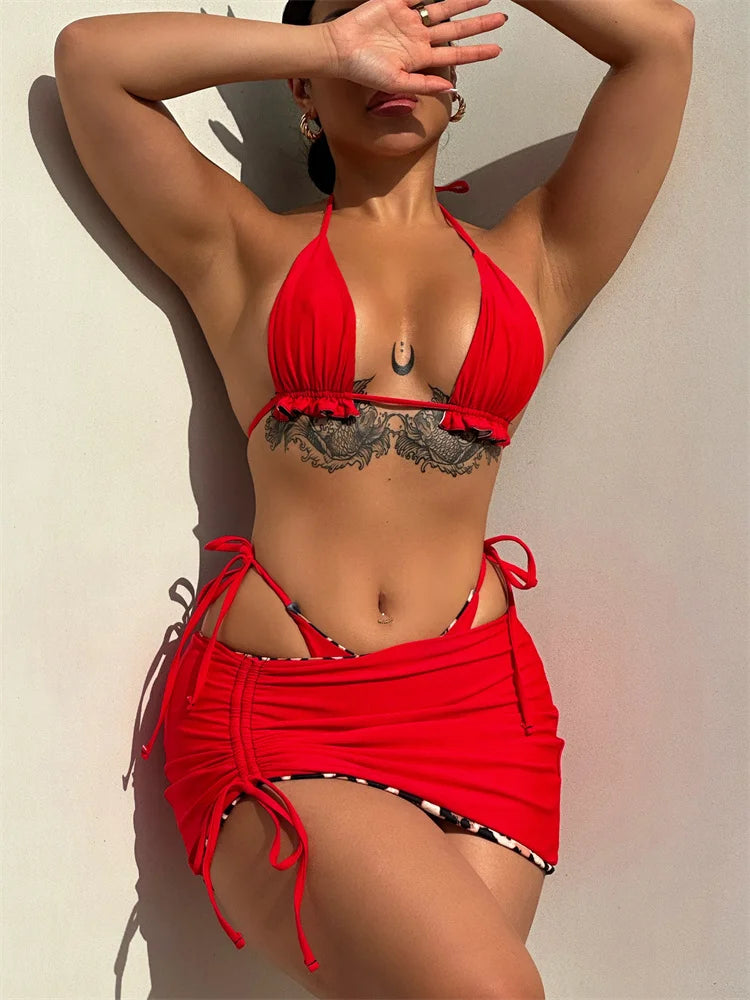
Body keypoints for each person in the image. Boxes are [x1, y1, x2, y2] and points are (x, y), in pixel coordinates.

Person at [54, 0, 694, 995]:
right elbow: (91, 63)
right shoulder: (242, 249)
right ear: (305, 92)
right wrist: (324, 44)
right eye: (366, 26)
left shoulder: (537, 257)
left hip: (483, 716)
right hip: (284, 712)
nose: (393, 53)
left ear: (454, 73)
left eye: (421, 28)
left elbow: (661, 43)